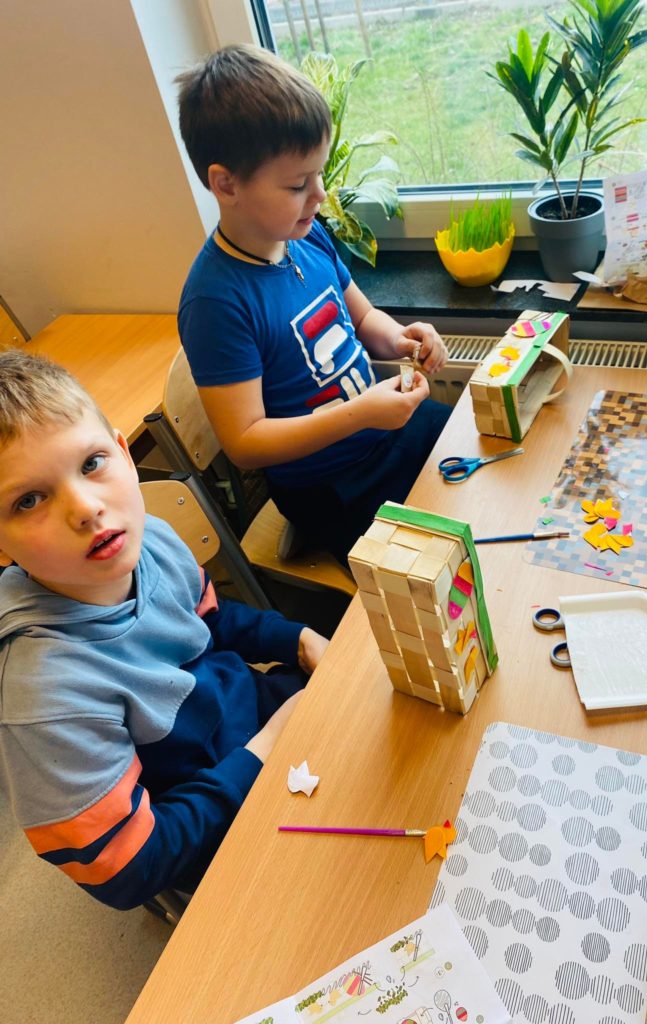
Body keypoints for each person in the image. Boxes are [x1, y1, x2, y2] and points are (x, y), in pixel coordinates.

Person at [0, 350, 328, 910]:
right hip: (213, 829)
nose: (87, 509)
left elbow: (213, 621)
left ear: (125, 455)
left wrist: (296, 640)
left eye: (92, 463)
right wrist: (268, 748)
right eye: (29, 500)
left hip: (262, 717)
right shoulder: (45, 695)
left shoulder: (147, 539)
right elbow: (129, 868)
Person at [176, 45, 452, 565]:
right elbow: (246, 442)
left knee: (483, 460)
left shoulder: (306, 235)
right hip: (330, 482)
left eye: (319, 174)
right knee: (434, 563)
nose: (320, 194)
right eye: (298, 184)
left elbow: (363, 317)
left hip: (382, 432)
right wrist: (360, 414)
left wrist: (400, 338)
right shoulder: (215, 301)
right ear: (226, 184)